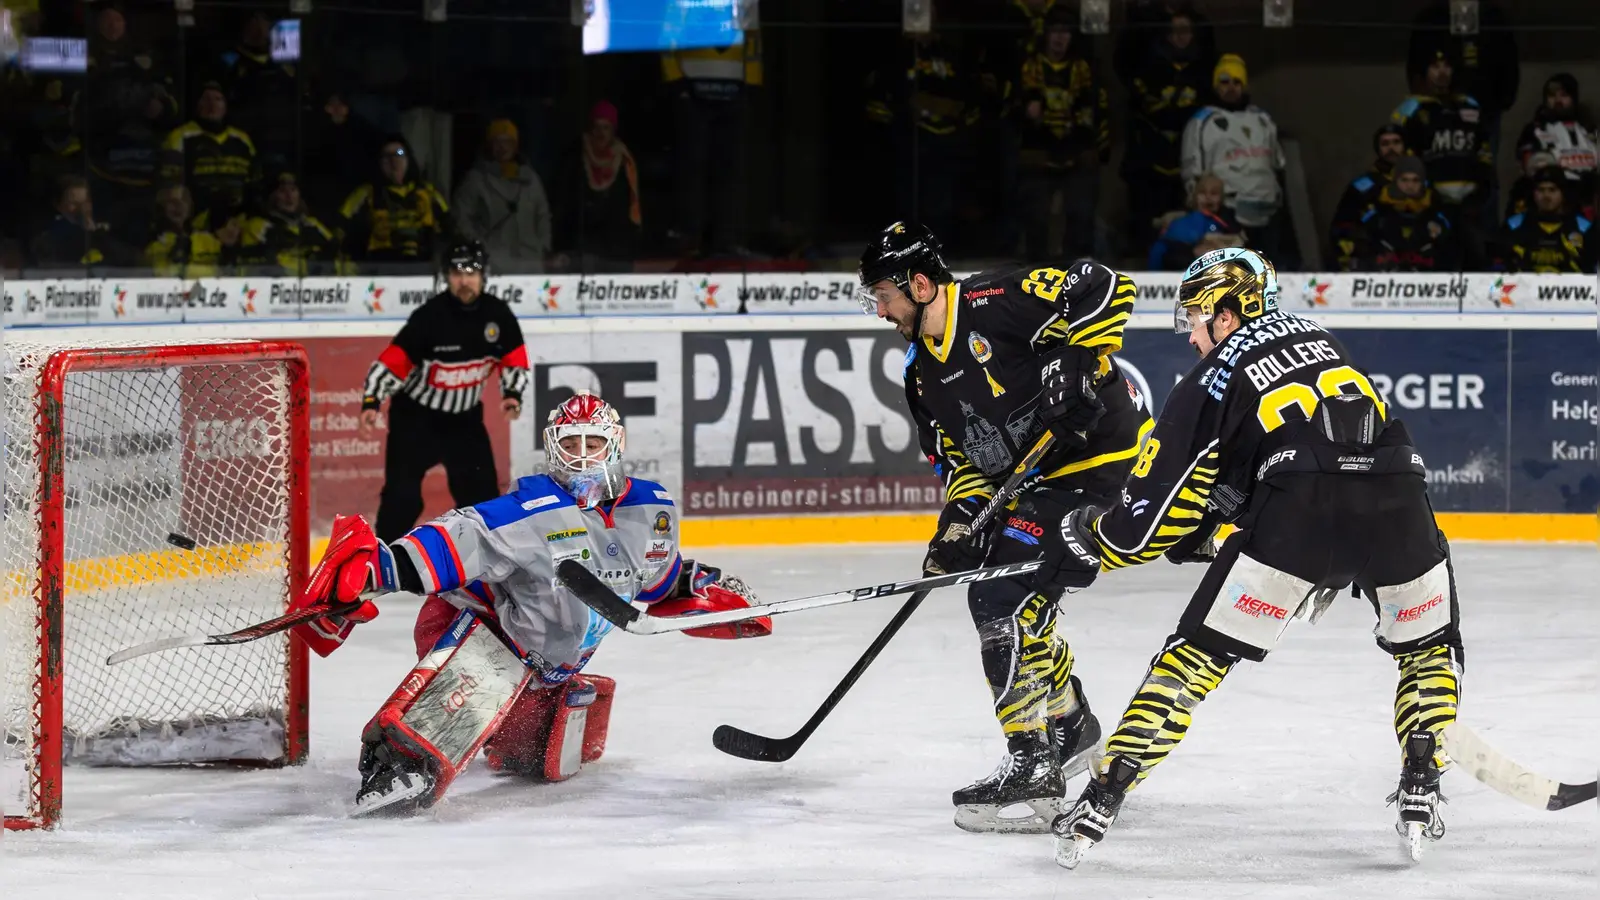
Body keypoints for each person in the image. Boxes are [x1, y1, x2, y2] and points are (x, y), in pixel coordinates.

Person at [1047, 248, 1465, 868]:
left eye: (1195, 316)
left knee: (1194, 662)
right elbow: (1332, 446)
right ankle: (1423, 776)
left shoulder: (1212, 375)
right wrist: (1220, 528)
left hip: (1298, 516)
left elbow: (1148, 524)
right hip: (1400, 500)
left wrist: (1093, 536)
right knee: (1427, 649)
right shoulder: (1321, 340)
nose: (1190, 333)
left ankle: (1104, 794)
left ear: (1229, 310)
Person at [291, 391, 773, 816]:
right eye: (571, 445)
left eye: (594, 444)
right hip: (479, 631)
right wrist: (383, 567)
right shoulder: (530, 509)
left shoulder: (652, 511)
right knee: (452, 717)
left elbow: (656, 582)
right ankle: (397, 757)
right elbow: (460, 537)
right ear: (552, 448)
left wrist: (702, 590)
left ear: (617, 444)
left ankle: (518, 714)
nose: (583, 459)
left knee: (535, 761)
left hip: (544, 668)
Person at [856, 221, 1153, 834]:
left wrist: (1072, 361)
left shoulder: (996, 301)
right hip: (1045, 484)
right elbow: (967, 462)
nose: (880, 311)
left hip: (1114, 462)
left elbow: (1105, 285)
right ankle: (1069, 725)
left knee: (998, 595)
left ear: (918, 284)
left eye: (884, 295)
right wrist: (957, 526)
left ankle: (1032, 763)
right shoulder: (920, 378)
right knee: (1004, 584)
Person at [359, 241, 529, 544]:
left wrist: (512, 394)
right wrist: (372, 401)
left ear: (483, 275)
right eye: (457, 273)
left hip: (463, 420)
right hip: (415, 419)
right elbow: (392, 362)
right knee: (403, 497)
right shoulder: (430, 317)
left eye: (471, 272)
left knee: (481, 496)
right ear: (447, 277)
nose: (464, 281)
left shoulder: (498, 315)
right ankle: (386, 560)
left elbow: (514, 359)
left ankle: (483, 560)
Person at [1180, 54, 1287, 259]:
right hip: (1227, 213)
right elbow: (1192, 172)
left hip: (1267, 212)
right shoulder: (1202, 121)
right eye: (1225, 82)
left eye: (1237, 82)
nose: (1231, 87)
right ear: (1215, 85)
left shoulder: (1262, 120)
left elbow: (1278, 164)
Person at [452, 119, 553, 274]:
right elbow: (461, 218)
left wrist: (542, 247)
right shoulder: (476, 180)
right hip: (494, 264)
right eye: (497, 141)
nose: (503, 147)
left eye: (508, 141)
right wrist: (480, 247)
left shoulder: (531, 179)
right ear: (489, 145)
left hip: (530, 262)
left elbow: (543, 216)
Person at [1352, 155, 1461, 272]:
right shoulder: (1377, 212)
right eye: (1404, 180)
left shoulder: (1437, 210)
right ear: (1395, 180)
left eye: (1415, 180)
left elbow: (1451, 253)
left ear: (1423, 181)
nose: (1410, 186)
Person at [1330, 124, 1407, 270]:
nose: (1391, 148)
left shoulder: (1420, 183)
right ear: (1377, 149)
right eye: (1385, 143)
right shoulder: (1361, 186)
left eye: (1396, 142)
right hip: (1378, 261)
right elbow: (1341, 226)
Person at [1500, 168, 1594, 273]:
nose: (1546, 196)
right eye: (1541, 190)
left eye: (1552, 190)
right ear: (1534, 194)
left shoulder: (1584, 228)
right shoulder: (1514, 225)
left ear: (1562, 193)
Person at [1148, 172, 1242, 270]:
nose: (1208, 197)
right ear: (1195, 196)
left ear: (1221, 199)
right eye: (1202, 193)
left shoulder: (1228, 221)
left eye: (1214, 193)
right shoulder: (1180, 219)